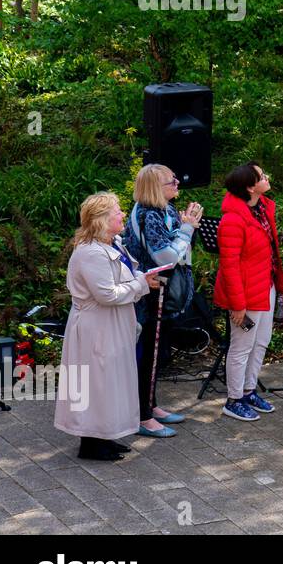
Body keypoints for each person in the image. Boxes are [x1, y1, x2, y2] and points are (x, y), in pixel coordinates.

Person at [55, 192, 163, 461]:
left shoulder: (113, 243)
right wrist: (140, 285)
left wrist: (142, 279)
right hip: (96, 328)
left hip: (111, 324)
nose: (122, 214)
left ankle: (104, 436)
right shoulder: (91, 253)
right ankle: (90, 443)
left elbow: (125, 276)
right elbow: (108, 295)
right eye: (117, 211)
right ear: (102, 219)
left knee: (110, 381)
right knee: (96, 382)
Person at [124, 164, 202, 438]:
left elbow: (181, 253)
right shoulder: (148, 215)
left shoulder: (165, 210)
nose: (178, 183)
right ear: (157, 187)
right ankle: (141, 416)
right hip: (149, 296)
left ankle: (151, 404)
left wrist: (183, 230)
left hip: (165, 294)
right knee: (148, 353)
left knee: (159, 354)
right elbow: (166, 258)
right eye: (173, 180)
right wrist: (187, 229)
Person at [213, 162, 283, 421]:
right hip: (245, 296)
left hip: (265, 288)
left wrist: (279, 283)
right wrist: (238, 305)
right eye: (262, 176)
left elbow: (270, 253)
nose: (267, 177)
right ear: (250, 186)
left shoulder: (262, 209)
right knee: (241, 347)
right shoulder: (233, 220)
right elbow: (230, 266)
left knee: (260, 343)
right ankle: (233, 399)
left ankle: (248, 391)